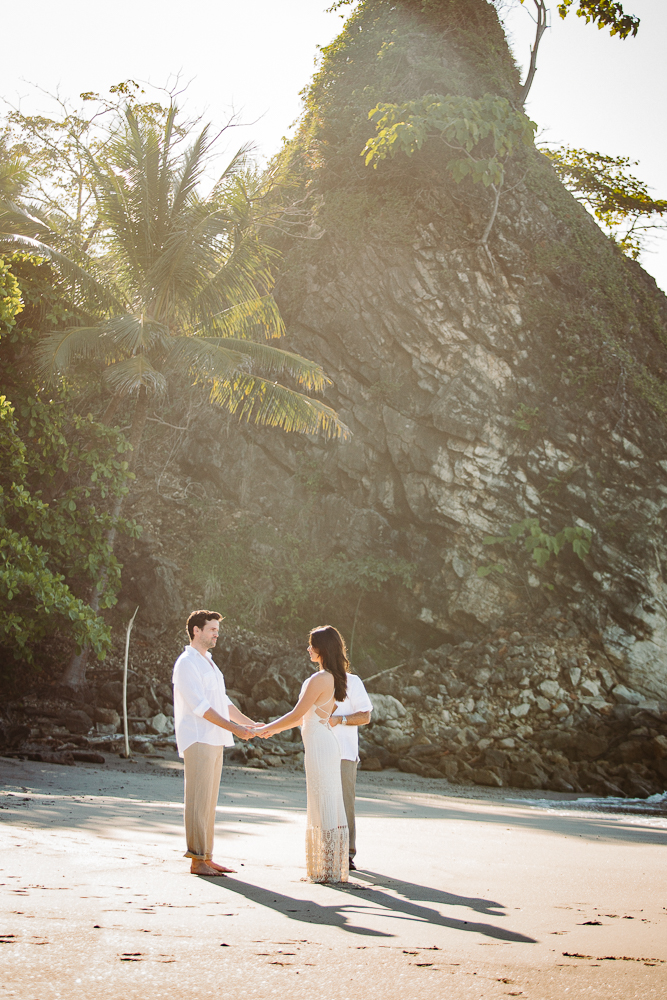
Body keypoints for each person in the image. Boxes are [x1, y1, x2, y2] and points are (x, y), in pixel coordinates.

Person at [256, 625, 349, 883]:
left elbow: (297, 715)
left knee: (323, 800)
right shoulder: (331, 677)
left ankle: (328, 869)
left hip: (320, 745)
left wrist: (267, 729)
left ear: (322, 649)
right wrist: (272, 730)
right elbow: (301, 719)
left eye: (311, 644)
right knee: (324, 799)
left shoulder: (320, 679)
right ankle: (329, 867)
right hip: (321, 742)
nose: (308, 648)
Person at [172, 610, 258, 877]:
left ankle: (207, 856)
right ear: (196, 630)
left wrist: (250, 724)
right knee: (197, 799)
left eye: (217, 629)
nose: (216, 633)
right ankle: (197, 860)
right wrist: (235, 729)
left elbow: (223, 702)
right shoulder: (186, 662)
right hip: (197, 737)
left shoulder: (209, 662)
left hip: (215, 738)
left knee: (209, 801)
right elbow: (201, 707)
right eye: (211, 629)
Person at [329, 670, 373, 871]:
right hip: (320, 750)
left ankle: (346, 853)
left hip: (344, 752)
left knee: (345, 803)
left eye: (312, 646)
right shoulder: (315, 681)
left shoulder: (352, 681)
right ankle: (326, 850)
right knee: (322, 803)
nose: (308, 650)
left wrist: (340, 719)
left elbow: (365, 716)